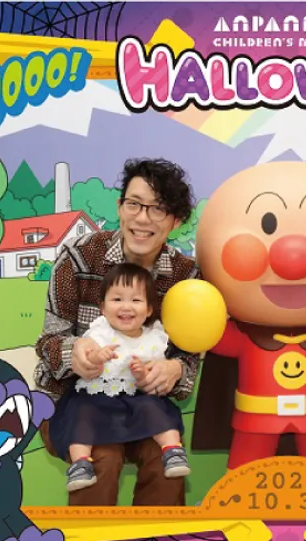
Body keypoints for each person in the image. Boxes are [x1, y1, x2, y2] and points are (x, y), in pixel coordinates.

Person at [35, 158, 201, 506]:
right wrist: (72, 353)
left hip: (143, 407)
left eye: (158, 209)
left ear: (176, 221)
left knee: (166, 459)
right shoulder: (80, 256)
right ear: (120, 206)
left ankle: (159, 539)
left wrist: (175, 369)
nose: (142, 218)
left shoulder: (186, 277)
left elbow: (188, 351)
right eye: (134, 204)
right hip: (76, 404)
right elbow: (49, 340)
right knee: (102, 458)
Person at [47, 263, 190, 493]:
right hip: (97, 395)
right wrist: (98, 356)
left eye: (136, 300)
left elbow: (151, 373)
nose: (126, 307)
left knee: (156, 410)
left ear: (149, 309)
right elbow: (87, 355)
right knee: (81, 416)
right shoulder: (101, 331)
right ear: (103, 308)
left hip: (135, 397)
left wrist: (141, 372)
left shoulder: (153, 337)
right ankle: (80, 463)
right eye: (117, 299)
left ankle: (172, 450)